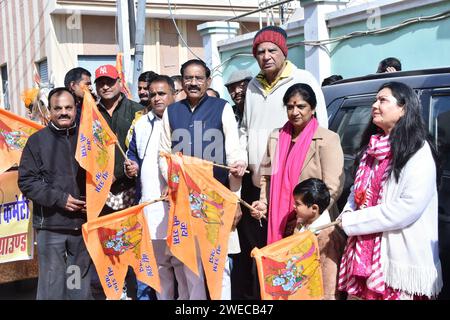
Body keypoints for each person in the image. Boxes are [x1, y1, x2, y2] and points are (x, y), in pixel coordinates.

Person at [236, 26, 328, 299]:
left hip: (295, 189)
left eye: (271, 50)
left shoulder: (302, 78)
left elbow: (319, 128)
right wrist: (242, 157)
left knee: (294, 260)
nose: (266, 56)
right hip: (261, 187)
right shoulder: (253, 85)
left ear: (283, 52)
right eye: (260, 52)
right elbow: (245, 128)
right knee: (262, 257)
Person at [337, 82, 442, 300]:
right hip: (363, 254)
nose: (375, 105)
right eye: (375, 100)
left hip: (397, 259)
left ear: (404, 109)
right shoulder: (371, 149)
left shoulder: (418, 150)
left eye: (383, 100)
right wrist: (347, 213)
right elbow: (356, 193)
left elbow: (407, 208)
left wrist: (352, 222)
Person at [159, 59, 247, 300]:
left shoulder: (222, 108)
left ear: (208, 80)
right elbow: (163, 154)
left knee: (220, 264)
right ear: (181, 82)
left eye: (199, 78)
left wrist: (235, 199)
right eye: (188, 78)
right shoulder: (172, 111)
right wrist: (171, 182)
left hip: (216, 199)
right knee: (190, 262)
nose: (194, 83)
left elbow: (234, 154)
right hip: (184, 202)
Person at [18, 87, 91, 300]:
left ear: (76, 108)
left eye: (68, 107)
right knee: (53, 287)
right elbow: (27, 181)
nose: (63, 112)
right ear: (49, 111)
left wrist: (93, 202)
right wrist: (60, 199)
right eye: (57, 108)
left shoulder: (88, 138)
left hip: (81, 227)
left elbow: (101, 174)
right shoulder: (37, 141)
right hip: (51, 229)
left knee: (76, 286)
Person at [251, 83, 344, 244]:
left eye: (301, 106)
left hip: (311, 226)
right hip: (279, 221)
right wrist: (264, 203)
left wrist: (307, 216)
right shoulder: (275, 137)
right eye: (289, 107)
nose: (295, 112)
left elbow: (333, 187)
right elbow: (266, 177)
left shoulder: (327, 139)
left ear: (313, 108)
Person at [125, 75, 188, 300]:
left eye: (162, 94)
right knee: (160, 267)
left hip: (179, 206)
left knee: (183, 266)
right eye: (153, 95)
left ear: (174, 94)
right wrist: (130, 166)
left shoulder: (184, 120)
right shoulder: (140, 124)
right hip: (151, 207)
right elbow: (133, 155)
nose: (157, 98)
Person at [94, 64, 143, 299]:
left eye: (110, 81)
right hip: (101, 192)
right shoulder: (89, 115)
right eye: (101, 82)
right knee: (109, 244)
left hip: (131, 189)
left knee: (133, 241)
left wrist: (129, 171)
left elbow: (145, 149)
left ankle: (137, 290)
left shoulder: (138, 111)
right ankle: (116, 290)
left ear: (119, 82)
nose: (105, 86)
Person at [292, 178, 346, 300]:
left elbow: (329, 276)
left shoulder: (327, 236)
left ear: (314, 208)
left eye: (298, 204)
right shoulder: (302, 224)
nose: (294, 206)